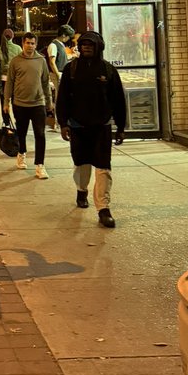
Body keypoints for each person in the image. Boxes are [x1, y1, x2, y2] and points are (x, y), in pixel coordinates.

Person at [55, 30, 126, 229]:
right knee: (81, 165)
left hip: (101, 127)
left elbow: (118, 100)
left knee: (103, 168)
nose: (86, 47)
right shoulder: (71, 69)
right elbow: (62, 99)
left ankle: (103, 208)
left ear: (98, 48)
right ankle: (81, 190)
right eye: (83, 44)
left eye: (90, 44)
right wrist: (63, 123)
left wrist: (120, 127)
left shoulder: (108, 70)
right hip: (78, 126)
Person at [3, 32, 53, 179]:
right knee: (22, 132)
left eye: (32, 43)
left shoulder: (41, 60)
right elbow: (10, 82)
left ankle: (40, 165)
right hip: (20, 103)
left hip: (38, 103)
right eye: (27, 43)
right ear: (23, 44)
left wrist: (49, 102)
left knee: (40, 134)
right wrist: (6, 102)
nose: (30, 46)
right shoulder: (15, 61)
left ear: (36, 45)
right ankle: (22, 153)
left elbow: (45, 82)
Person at [0, 28, 22, 123]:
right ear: (13, 37)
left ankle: (6, 121)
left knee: (4, 101)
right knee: (16, 101)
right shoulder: (18, 48)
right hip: (16, 79)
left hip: (4, 80)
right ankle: (18, 119)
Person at [45, 25, 75, 110]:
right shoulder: (53, 45)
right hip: (57, 74)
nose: (69, 39)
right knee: (59, 98)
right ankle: (58, 122)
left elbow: (61, 58)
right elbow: (52, 62)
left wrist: (73, 55)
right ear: (64, 35)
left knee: (63, 97)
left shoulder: (60, 45)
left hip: (61, 73)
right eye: (68, 36)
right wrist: (58, 74)